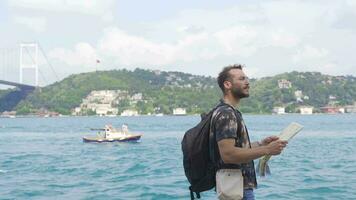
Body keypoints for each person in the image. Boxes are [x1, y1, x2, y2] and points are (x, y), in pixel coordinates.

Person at [212, 64, 288, 200]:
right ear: (227, 84)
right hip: (237, 190)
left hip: (237, 188)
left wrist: (261, 144)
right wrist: (267, 150)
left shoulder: (227, 111)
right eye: (241, 79)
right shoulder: (226, 113)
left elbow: (235, 149)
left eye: (246, 78)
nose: (247, 82)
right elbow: (228, 155)